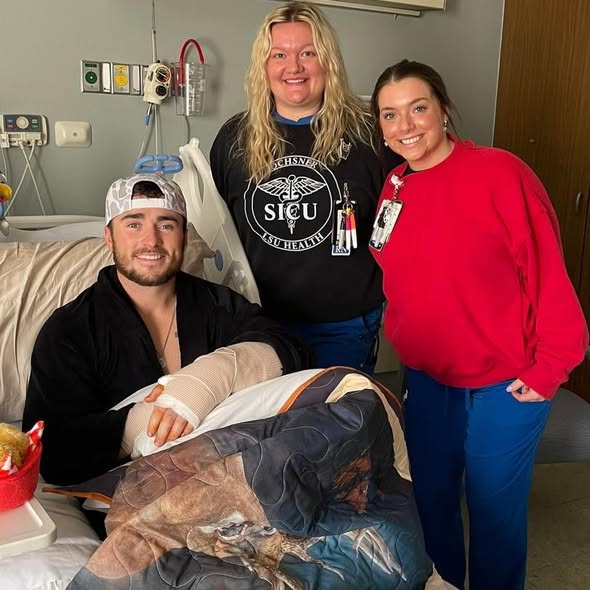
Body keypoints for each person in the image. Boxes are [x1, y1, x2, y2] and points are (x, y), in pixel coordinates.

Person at [368, 59, 589, 590]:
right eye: (390, 115)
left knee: (492, 511)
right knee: (430, 501)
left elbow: (546, 272)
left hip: (506, 382)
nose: (405, 126)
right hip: (429, 381)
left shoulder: (500, 174)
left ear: (444, 110)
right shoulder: (395, 185)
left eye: (418, 108)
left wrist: (550, 366)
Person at [22, 173, 311, 488]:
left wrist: (213, 375)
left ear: (184, 236)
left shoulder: (217, 305)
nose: (151, 241)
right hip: (130, 492)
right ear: (109, 237)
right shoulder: (70, 330)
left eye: (166, 225)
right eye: (134, 224)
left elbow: (290, 348)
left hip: (236, 472)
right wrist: (143, 423)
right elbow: (51, 453)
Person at [210, 1, 401, 373]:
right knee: (267, 412)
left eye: (308, 53)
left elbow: (405, 223)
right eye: (279, 55)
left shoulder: (369, 134)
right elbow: (215, 230)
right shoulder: (234, 138)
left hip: (344, 326)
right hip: (258, 322)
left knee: (333, 411)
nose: (293, 67)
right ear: (264, 66)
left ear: (328, 60)